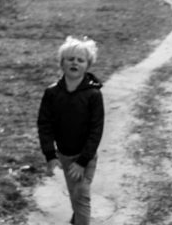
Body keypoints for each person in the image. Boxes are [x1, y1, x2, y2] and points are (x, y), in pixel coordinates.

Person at [37, 36, 105, 225]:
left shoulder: (93, 95)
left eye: (80, 60)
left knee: (81, 196)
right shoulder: (52, 93)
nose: (75, 62)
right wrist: (50, 155)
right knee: (75, 194)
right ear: (62, 63)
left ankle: (80, 220)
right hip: (65, 155)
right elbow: (45, 125)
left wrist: (83, 161)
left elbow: (96, 129)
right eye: (70, 59)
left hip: (86, 157)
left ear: (87, 65)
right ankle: (77, 219)